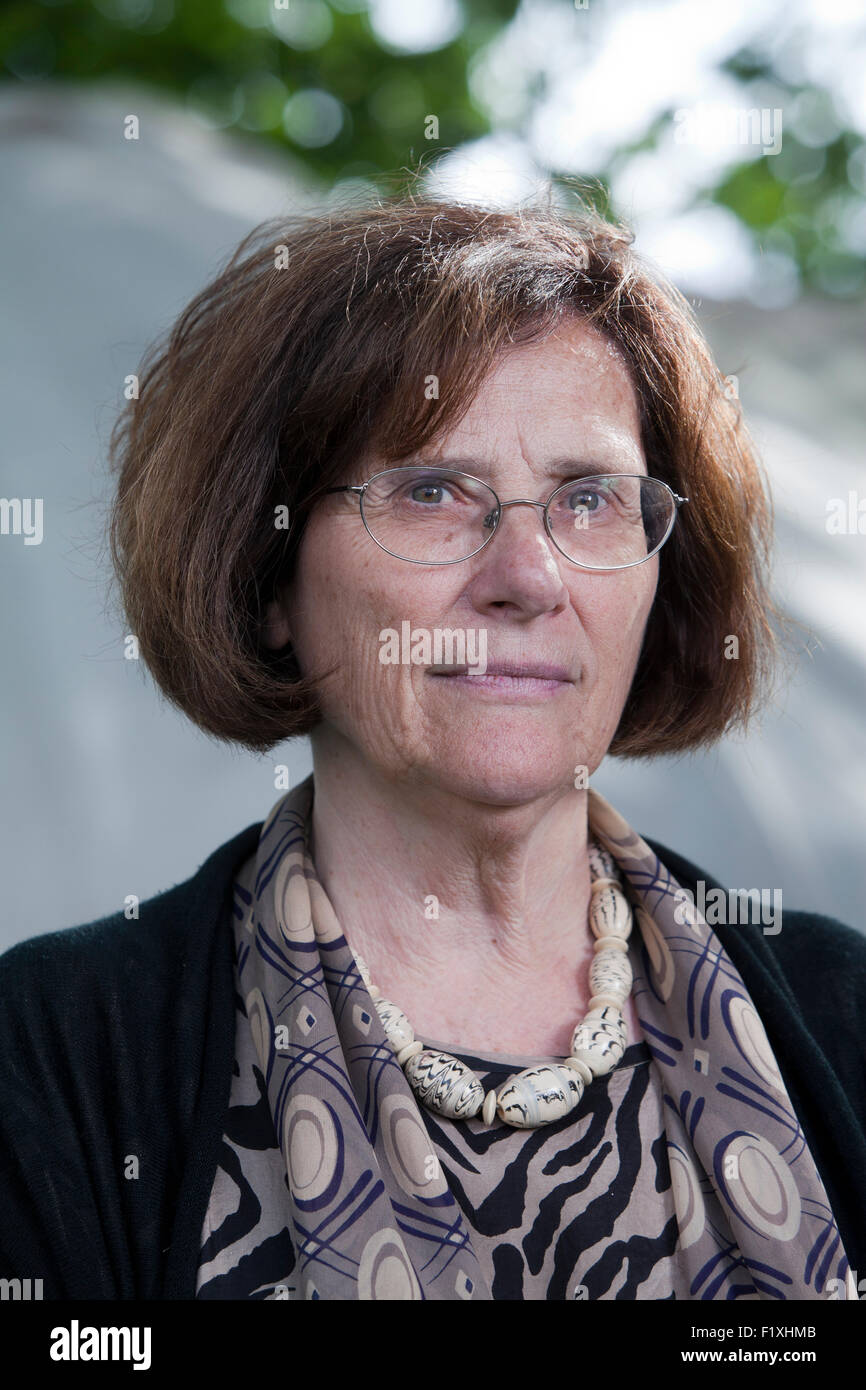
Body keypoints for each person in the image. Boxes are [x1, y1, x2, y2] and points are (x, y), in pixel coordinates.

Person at [2, 197, 864, 1302]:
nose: (528, 575)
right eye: (429, 492)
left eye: (588, 498)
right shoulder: (56, 1055)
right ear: (267, 577)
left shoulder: (839, 1015)